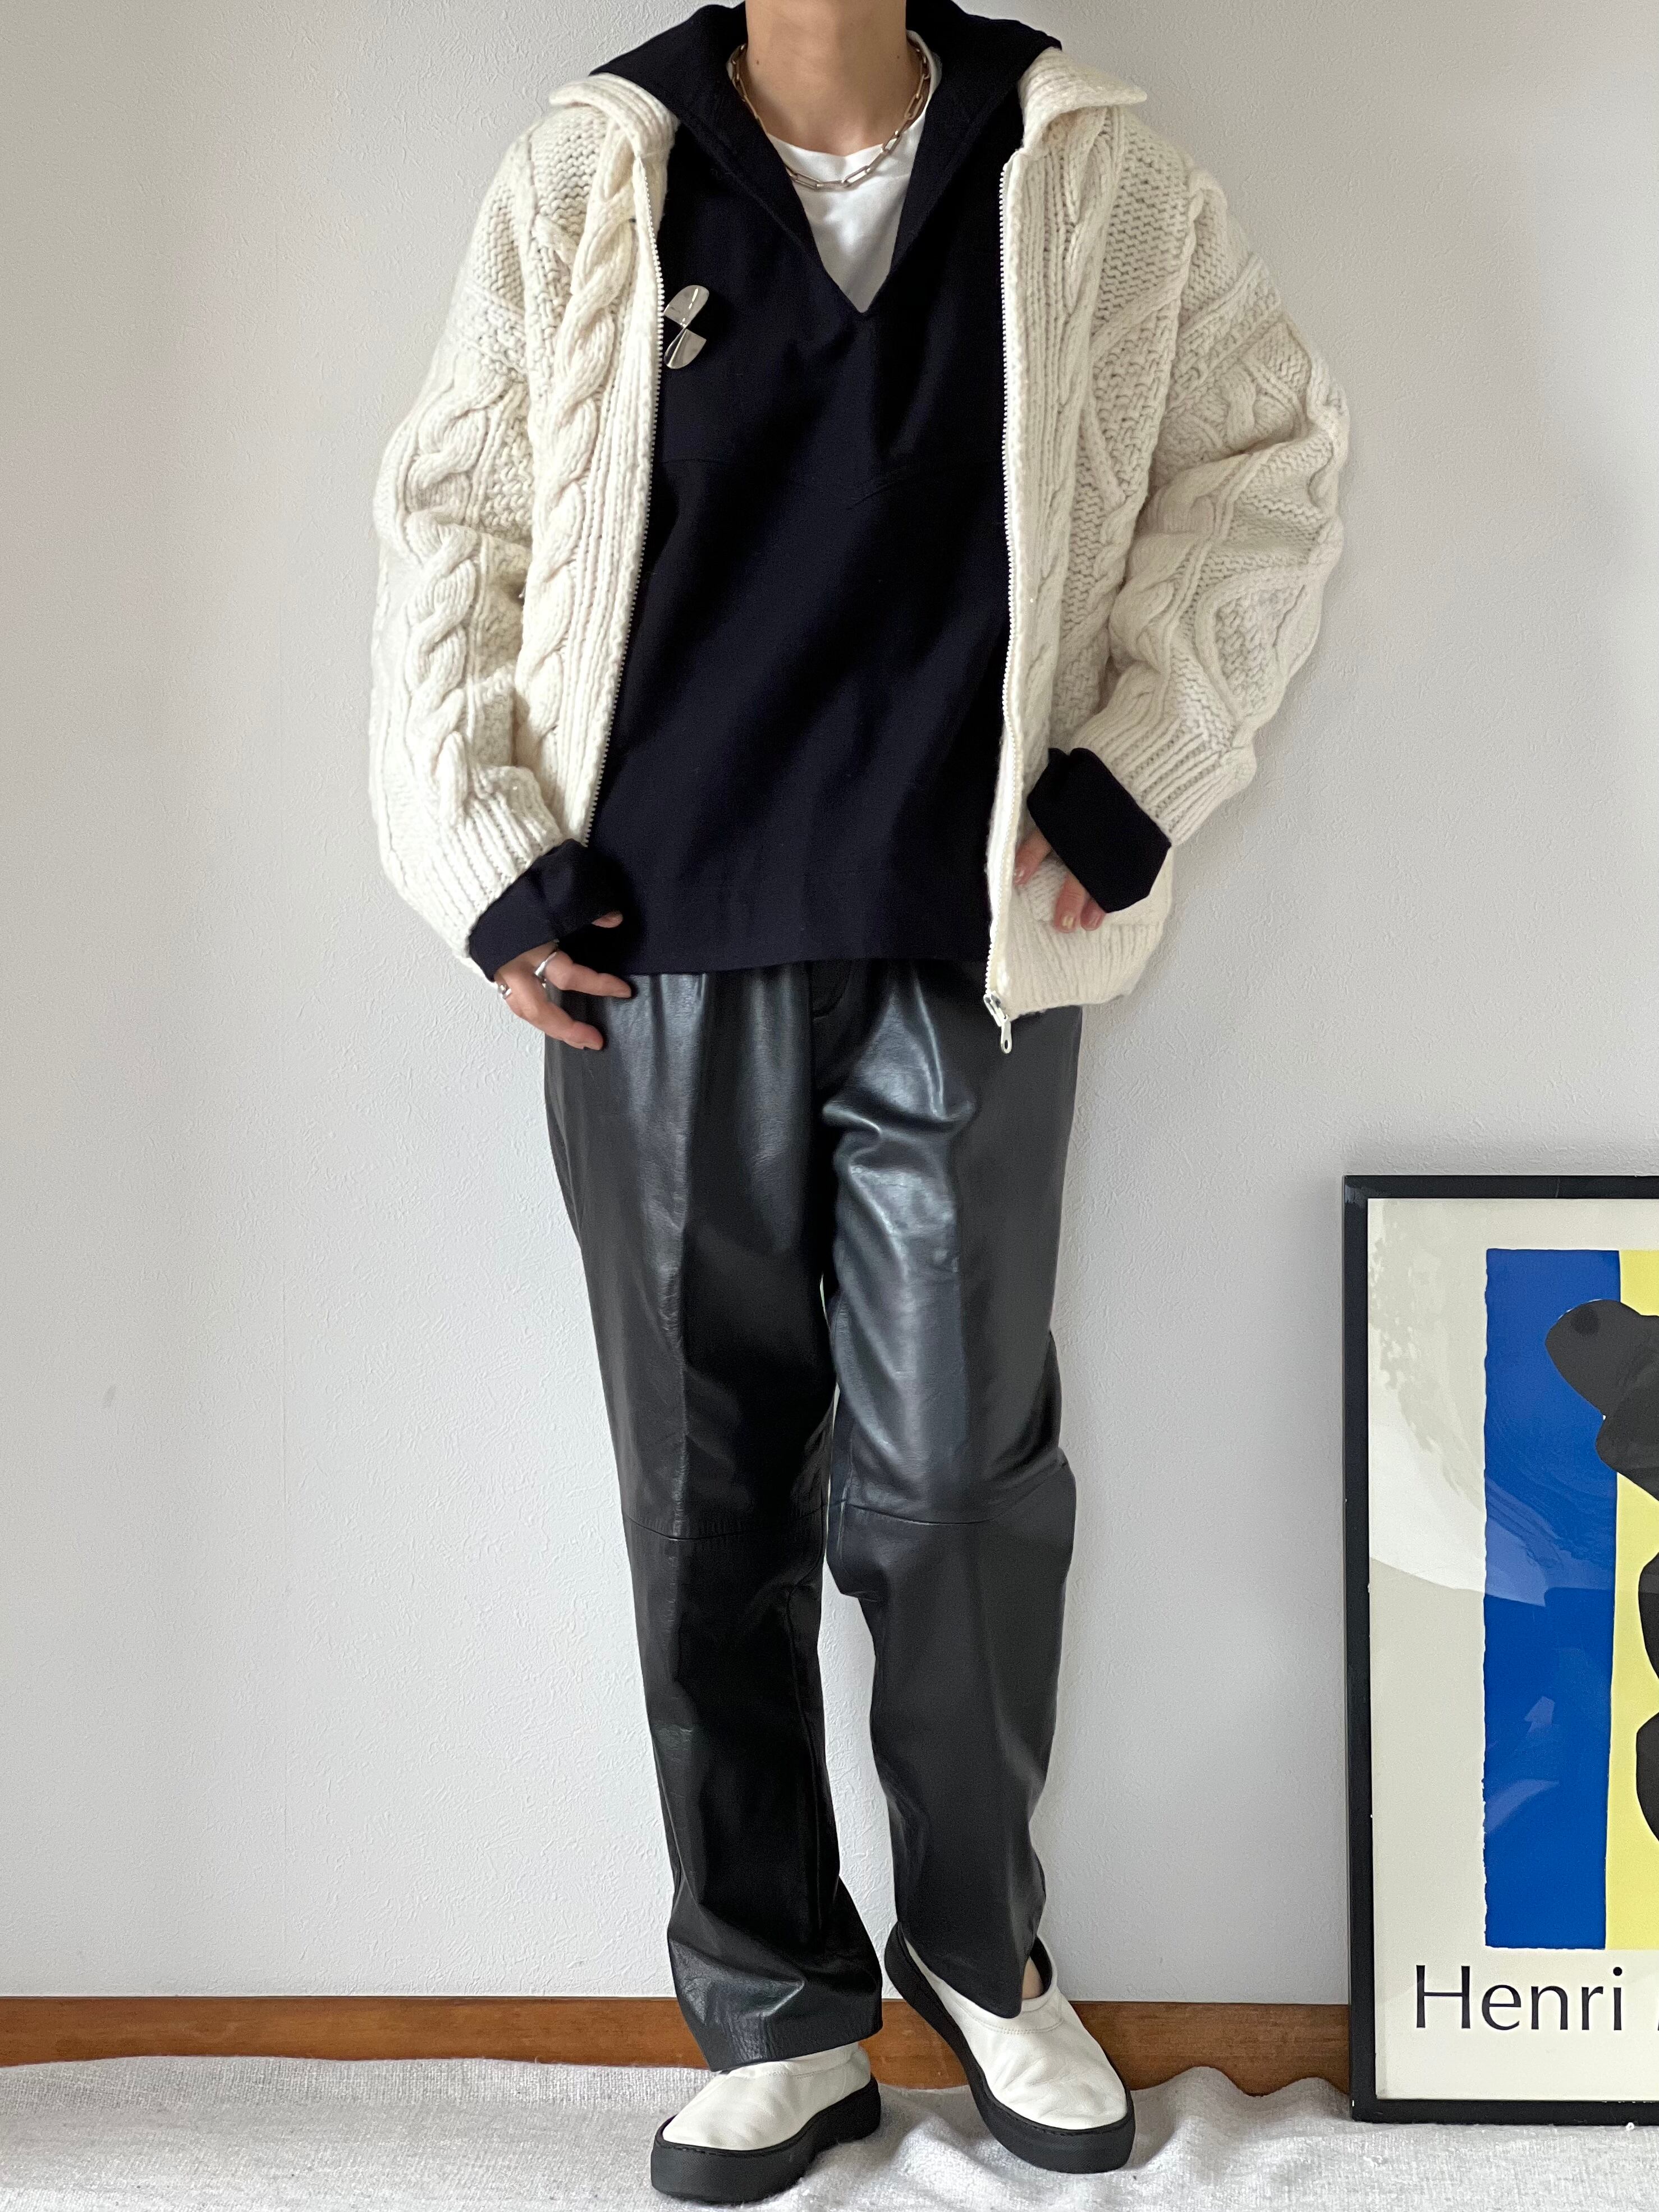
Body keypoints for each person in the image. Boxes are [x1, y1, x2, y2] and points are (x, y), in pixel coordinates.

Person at [370, 0, 1347, 2196]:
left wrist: (1140, 766)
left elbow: (1265, 461)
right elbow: (453, 517)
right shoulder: (596, 171)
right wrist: (476, 846)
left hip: (964, 943)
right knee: (704, 1502)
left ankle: (985, 1959)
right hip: (652, 948)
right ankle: (775, 2008)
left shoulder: (1085, 162)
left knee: (956, 1491)